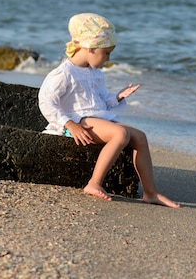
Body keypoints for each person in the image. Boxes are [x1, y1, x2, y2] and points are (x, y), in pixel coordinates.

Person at [38, 13, 180, 208]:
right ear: (89, 47)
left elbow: (99, 103)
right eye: (106, 53)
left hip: (96, 119)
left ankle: (150, 192)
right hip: (77, 122)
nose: (108, 58)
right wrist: (69, 124)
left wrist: (118, 97)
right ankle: (94, 183)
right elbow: (46, 102)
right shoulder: (63, 73)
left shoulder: (95, 73)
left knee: (140, 137)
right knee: (121, 134)